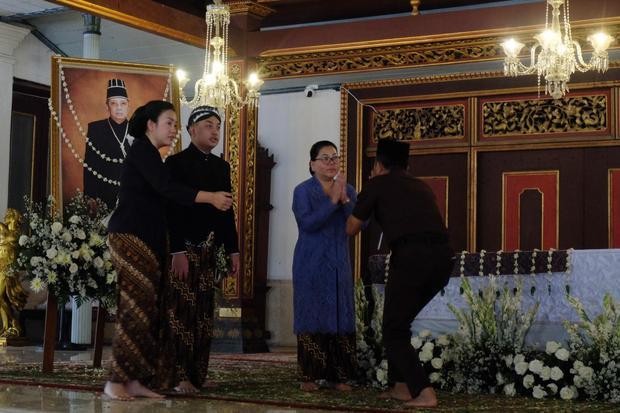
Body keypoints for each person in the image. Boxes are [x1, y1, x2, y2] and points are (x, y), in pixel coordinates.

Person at [104, 100, 233, 401]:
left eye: (175, 124)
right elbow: (167, 188)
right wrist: (210, 197)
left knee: (149, 312)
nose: (175, 130)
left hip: (149, 240)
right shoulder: (141, 150)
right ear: (151, 125)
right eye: (169, 123)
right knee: (134, 310)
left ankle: (136, 380)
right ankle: (116, 381)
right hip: (130, 236)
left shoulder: (153, 155)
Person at [346, 138, 454, 408]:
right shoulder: (421, 186)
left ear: (378, 165)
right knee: (398, 323)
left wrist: (344, 198)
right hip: (443, 260)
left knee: (394, 328)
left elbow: (351, 228)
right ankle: (401, 387)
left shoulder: (377, 184)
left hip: (411, 258)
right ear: (407, 165)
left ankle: (424, 392)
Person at [159, 105, 239, 393]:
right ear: (191, 130)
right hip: (183, 250)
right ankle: (179, 376)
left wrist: (233, 250)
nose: (214, 131)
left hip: (208, 250)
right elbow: (171, 210)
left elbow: (226, 211)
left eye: (217, 126)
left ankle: (198, 374)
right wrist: (177, 251)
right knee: (181, 313)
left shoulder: (221, 167)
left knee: (204, 315)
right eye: (208, 125)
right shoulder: (175, 163)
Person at [292, 140, 358, 392]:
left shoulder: (347, 189)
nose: (331, 162)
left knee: (340, 315)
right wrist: (331, 201)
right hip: (310, 261)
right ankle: (309, 375)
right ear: (312, 164)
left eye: (335, 157)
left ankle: (338, 376)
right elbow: (308, 223)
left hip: (338, 262)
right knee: (312, 314)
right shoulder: (302, 191)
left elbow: (358, 223)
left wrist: (344, 200)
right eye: (325, 158)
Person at [84, 79, 131, 209]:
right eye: (113, 103)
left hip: (132, 196)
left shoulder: (138, 129)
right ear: (107, 106)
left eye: (123, 103)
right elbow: (90, 164)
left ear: (128, 105)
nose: (119, 108)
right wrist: (90, 197)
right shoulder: (96, 129)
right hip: (103, 196)